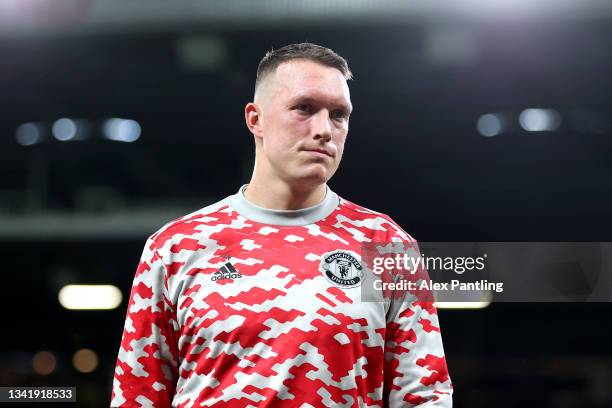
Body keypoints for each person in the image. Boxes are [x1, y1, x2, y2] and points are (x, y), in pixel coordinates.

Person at [111, 42, 453, 407]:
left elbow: (424, 396)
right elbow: (137, 394)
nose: (324, 129)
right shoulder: (176, 247)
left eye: (338, 114)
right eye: (304, 108)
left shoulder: (387, 245)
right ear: (255, 119)